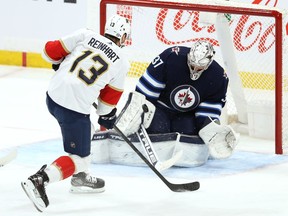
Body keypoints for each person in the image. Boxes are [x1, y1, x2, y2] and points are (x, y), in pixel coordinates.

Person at [21, 14, 130, 212]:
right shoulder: (122, 61)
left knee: (87, 129)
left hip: (52, 97)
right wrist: (109, 116)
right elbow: (105, 106)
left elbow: (48, 52)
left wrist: (60, 60)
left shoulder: (85, 35)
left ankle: (80, 178)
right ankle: (40, 179)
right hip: (72, 110)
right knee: (79, 159)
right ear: (123, 38)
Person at [115, 40, 239, 162]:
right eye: (192, 64)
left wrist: (209, 128)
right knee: (158, 131)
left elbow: (208, 111)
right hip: (161, 108)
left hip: (187, 115)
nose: (195, 69)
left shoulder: (218, 77)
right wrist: (141, 111)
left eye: (199, 67)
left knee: (188, 138)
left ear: (208, 64)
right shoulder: (171, 57)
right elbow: (145, 93)